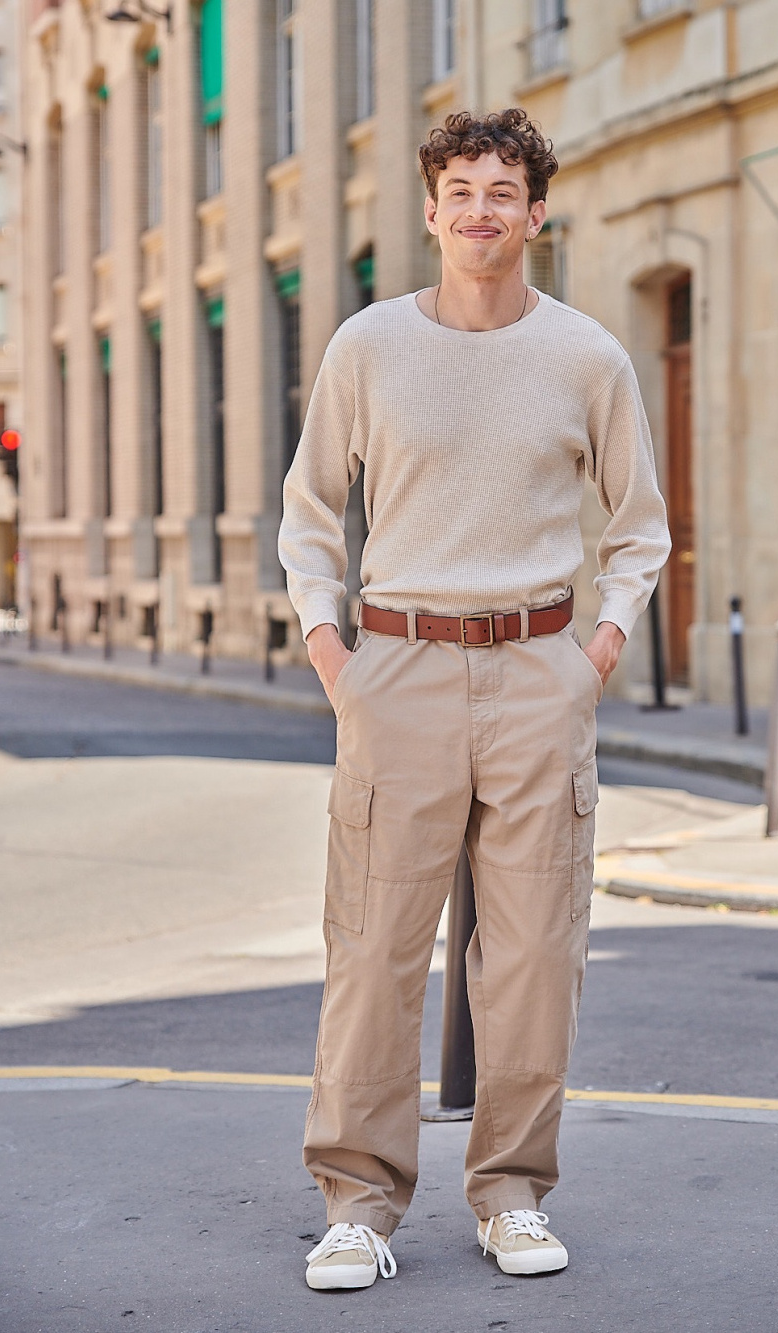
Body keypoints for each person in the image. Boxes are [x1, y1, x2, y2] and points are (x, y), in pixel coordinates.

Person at [278, 108, 670, 1292]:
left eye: (505, 190)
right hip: (393, 667)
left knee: (535, 954)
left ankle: (510, 1193)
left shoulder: (589, 357)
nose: (482, 208)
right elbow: (307, 515)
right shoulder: (367, 346)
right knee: (374, 947)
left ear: (535, 214)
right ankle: (356, 1202)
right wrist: (333, 653)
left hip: (539, 671)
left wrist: (595, 649)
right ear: (433, 208)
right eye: (461, 189)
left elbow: (639, 529)